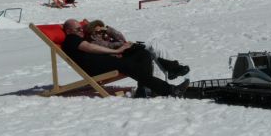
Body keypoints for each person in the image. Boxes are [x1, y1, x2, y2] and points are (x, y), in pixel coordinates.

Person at [62, 19, 190, 98]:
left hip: (107, 61)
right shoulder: (71, 39)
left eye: (81, 28)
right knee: (130, 66)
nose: (81, 31)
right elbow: (90, 47)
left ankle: (142, 89)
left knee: (143, 54)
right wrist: (115, 50)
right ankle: (170, 90)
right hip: (96, 68)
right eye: (78, 29)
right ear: (68, 31)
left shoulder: (78, 37)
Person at [85, 19, 190, 80]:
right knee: (153, 48)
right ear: (93, 30)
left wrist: (108, 29)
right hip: (122, 57)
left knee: (154, 47)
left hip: (127, 50)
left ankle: (171, 71)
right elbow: (111, 46)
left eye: (102, 30)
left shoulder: (104, 36)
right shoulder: (94, 41)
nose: (102, 32)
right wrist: (124, 44)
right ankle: (173, 69)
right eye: (99, 30)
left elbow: (121, 38)